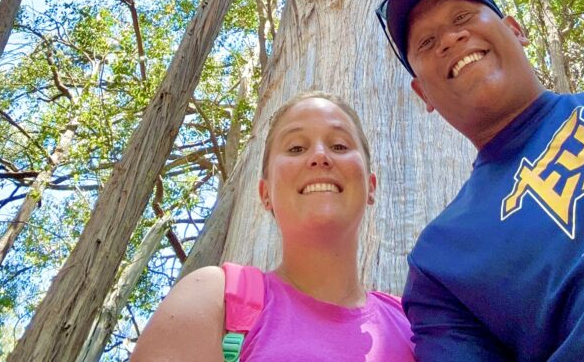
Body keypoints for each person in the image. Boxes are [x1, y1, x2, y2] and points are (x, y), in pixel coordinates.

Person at [376, 0, 584, 362]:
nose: (449, 39)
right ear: (424, 96)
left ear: (515, 30)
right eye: (427, 44)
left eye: (463, 16)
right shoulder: (439, 263)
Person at [131, 91, 415, 361]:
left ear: (371, 187)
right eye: (295, 148)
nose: (319, 156)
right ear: (265, 194)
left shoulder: (417, 323)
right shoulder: (216, 299)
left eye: (339, 145)